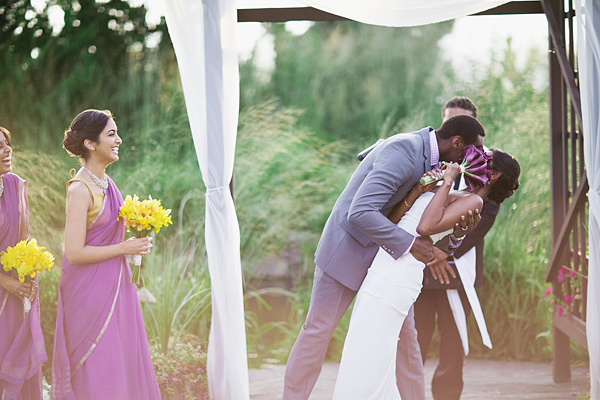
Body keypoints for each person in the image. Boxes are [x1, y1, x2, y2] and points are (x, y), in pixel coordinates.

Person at [283, 115, 485, 400]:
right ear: (457, 142)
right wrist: (410, 245)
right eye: (472, 151)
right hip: (348, 252)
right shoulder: (404, 150)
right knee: (318, 332)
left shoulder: (438, 163)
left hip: (386, 267)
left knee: (406, 346)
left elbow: (431, 220)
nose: (473, 158)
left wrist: (458, 232)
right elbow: (361, 212)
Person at [332, 148, 521, 400]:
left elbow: (425, 227)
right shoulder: (459, 194)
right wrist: (420, 190)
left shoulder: (474, 202)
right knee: (364, 347)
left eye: (482, 159)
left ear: (494, 174)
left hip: (398, 277)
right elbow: (395, 221)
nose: (470, 159)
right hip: (384, 268)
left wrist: (446, 184)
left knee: (372, 349)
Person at [51, 110, 161, 400]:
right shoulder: (80, 189)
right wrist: (125, 248)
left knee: (118, 366)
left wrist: (137, 240)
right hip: (86, 295)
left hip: (116, 287)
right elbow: (73, 252)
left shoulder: (108, 184)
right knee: (98, 368)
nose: (119, 140)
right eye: (111, 134)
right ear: (90, 143)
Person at [395, 96, 482, 400]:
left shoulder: (486, 165)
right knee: (413, 339)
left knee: (452, 342)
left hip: (456, 268)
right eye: (449, 120)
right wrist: (428, 253)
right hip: (420, 267)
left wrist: (444, 251)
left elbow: (486, 214)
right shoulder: (427, 157)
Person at [0, 126, 46, 399]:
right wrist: (4, 281)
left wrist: (30, 270)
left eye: (7, 143)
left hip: (16, 298)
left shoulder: (15, 185)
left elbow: (25, 238)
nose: (7, 150)